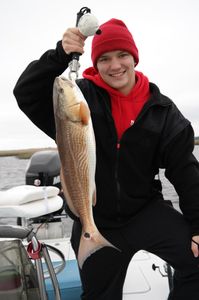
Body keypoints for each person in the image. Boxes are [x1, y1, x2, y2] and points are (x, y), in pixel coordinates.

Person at [13, 18, 199, 300]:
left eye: (122, 55)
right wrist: (60, 55)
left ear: (134, 57)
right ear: (95, 63)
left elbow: (186, 174)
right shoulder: (79, 99)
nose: (115, 66)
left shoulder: (162, 112)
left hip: (145, 211)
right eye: (104, 58)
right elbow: (26, 93)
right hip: (95, 219)